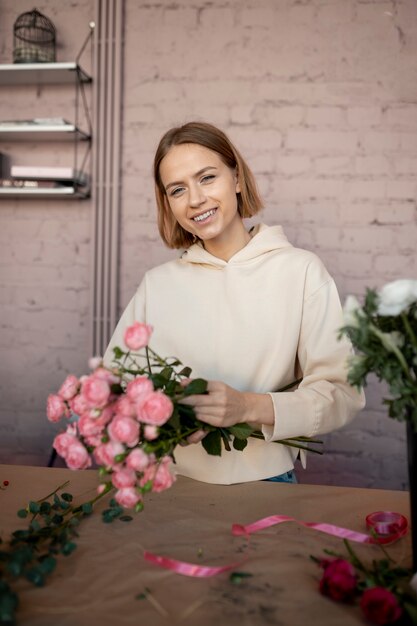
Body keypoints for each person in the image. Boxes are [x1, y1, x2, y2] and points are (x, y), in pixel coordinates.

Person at [104, 121, 365, 485]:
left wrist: (247, 407)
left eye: (207, 178)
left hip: (265, 481)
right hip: (169, 482)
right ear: (168, 203)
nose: (195, 199)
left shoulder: (300, 271)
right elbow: (115, 389)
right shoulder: (157, 285)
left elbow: (342, 391)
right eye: (177, 189)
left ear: (237, 178)